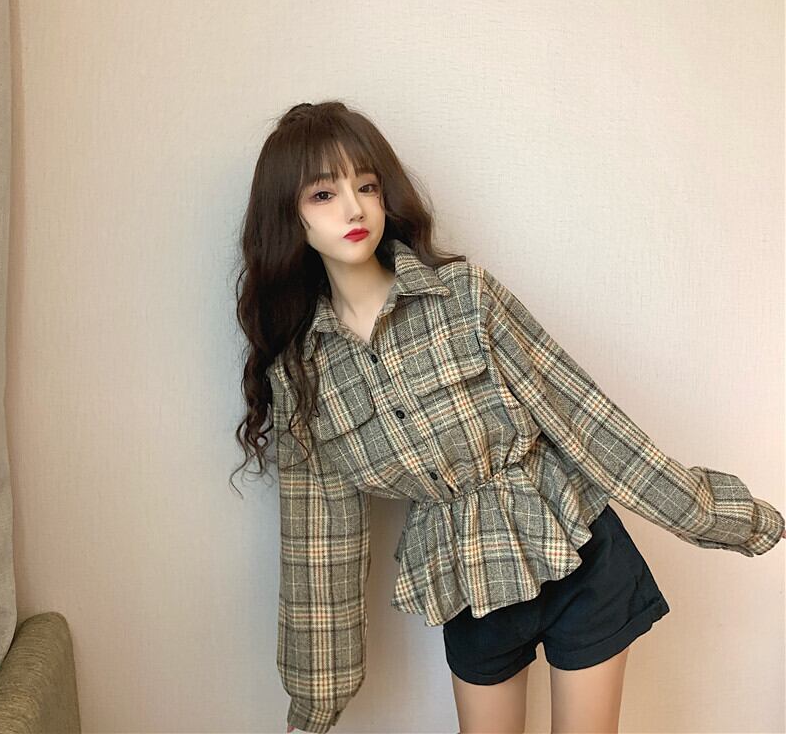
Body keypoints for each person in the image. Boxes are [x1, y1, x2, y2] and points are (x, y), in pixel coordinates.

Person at [232, 100, 785, 734]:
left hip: (580, 551)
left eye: (367, 186)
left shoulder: (465, 297)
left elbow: (589, 423)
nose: (354, 209)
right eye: (324, 194)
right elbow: (319, 544)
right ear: (289, 215)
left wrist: (729, 518)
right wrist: (313, 706)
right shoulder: (302, 376)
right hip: (471, 589)